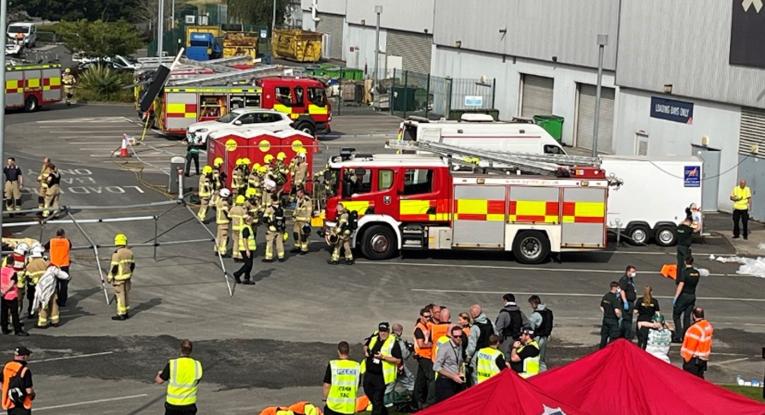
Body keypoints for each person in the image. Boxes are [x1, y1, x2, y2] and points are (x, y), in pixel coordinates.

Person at [361, 322, 402, 415]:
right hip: (369, 373)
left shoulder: (393, 342)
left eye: (385, 331)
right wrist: (366, 351)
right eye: (381, 331)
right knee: (369, 394)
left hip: (381, 376)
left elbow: (398, 360)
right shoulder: (374, 337)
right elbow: (365, 346)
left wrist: (383, 357)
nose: (383, 333)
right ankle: (384, 412)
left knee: (377, 400)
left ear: (389, 331)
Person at [155, 339, 203, 415]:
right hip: (189, 404)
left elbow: (159, 381)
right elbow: (197, 380)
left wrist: (159, 373)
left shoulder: (173, 364)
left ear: (180, 349)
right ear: (191, 351)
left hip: (173, 404)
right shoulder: (197, 365)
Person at [323, 341, 360, 415]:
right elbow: (357, 385)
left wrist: (325, 399)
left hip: (333, 406)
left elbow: (327, 385)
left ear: (338, 351)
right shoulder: (356, 366)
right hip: (349, 407)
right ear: (348, 351)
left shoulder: (333, 365)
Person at [32, 263, 69, 329]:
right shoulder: (53, 270)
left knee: (43, 307)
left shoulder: (47, 270)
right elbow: (65, 276)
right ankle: (55, 321)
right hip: (52, 290)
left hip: (43, 292)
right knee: (54, 305)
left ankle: (43, 324)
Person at [433, 325, 465, 403]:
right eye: (456, 336)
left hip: (456, 381)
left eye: (460, 336)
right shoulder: (444, 347)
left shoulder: (460, 345)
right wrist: (453, 376)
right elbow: (436, 367)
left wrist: (461, 373)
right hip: (445, 382)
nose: (458, 338)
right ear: (451, 336)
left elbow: (459, 361)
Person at [672, 256, 700, 343]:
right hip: (692, 295)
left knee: (676, 315)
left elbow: (681, 285)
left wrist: (676, 297)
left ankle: (678, 335)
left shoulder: (684, 272)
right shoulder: (696, 273)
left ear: (685, 262)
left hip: (684, 295)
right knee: (687, 317)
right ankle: (685, 336)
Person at [1, 346, 35, 414]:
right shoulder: (25, 370)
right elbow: (28, 391)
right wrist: (33, 394)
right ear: (23, 357)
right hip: (23, 405)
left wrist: (10, 392)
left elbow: (0, 384)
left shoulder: (7, 366)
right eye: (27, 355)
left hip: (10, 403)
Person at [108, 233, 134, 321]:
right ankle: (126, 312)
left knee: (120, 296)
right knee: (126, 294)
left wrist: (110, 277)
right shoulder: (130, 252)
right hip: (127, 277)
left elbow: (114, 267)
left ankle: (121, 314)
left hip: (119, 278)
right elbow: (132, 265)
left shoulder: (116, 254)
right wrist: (130, 274)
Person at [681, 307, 713, 378]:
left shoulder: (694, 328)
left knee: (690, 381)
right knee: (700, 380)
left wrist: (686, 358)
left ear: (693, 315)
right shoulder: (708, 325)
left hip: (693, 360)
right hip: (703, 359)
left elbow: (691, 346)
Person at [412, 307, 434, 410]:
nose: (428, 318)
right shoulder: (419, 328)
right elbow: (421, 344)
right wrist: (433, 344)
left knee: (420, 380)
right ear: (421, 316)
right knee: (431, 379)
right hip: (423, 356)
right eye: (426, 317)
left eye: (429, 316)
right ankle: (429, 402)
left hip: (425, 356)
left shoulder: (426, 326)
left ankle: (417, 402)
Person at [44, 229, 71, 307]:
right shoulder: (67, 241)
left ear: (57, 234)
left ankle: (56, 300)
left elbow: (45, 247)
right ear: (63, 234)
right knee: (64, 285)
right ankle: (63, 301)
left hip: (54, 265)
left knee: (55, 284)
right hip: (64, 266)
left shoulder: (52, 241)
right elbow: (70, 247)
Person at [0, 260, 27, 336]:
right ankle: (18, 330)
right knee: (14, 314)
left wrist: (2, 291)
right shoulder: (13, 272)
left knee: (4, 313)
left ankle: (4, 329)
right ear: (13, 263)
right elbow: (12, 283)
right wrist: (5, 291)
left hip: (3, 296)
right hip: (11, 296)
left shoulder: (1, 270)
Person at [526, 295, 553, 371]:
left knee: (534, 358)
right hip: (545, 337)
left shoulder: (535, 315)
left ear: (533, 303)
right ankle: (545, 374)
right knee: (542, 359)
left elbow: (530, 328)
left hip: (537, 338)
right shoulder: (548, 312)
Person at [23, 246, 48, 320]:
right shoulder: (44, 261)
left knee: (31, 300)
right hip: (42, 285)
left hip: (32, 285)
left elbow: (27, 274)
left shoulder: (29, 262)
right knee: (42, 300)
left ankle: (31, 313)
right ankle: (42, 314)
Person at [232, 215, 256, 285]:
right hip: (245, 249)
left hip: (248, 248)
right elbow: (244, 239)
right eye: (251, 219)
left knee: (250, 264)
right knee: (248, 264)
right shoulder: (246, 228)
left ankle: (246, 278)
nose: (252, 220)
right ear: (247, 221)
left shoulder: (247, 227)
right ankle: (237, 274)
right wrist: (247, 250)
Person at [263, 194, 286, 262]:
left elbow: (264, 219)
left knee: (269, 243)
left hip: (272, 228)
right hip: (280, 228)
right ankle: (281, 256)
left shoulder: (269, 208)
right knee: (279, 243)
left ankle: (268, 257)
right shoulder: (281, 208)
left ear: (272, 200)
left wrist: (268, 223)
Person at [599, 281, 622, 348]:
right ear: (615, 288)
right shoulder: (614, 299)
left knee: (604, 337)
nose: (619, 289)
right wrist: (619, 316)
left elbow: (601, 307)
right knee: (613, 338)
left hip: (606, 319)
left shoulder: (606, 296)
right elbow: (617, 311)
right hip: (613, 320)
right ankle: (610, 353)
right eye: (618, 288)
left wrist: (606, 312)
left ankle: (601, 352)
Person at [618, 265, 638, 341]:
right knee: (626, 319)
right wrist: (625, 301)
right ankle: (626, 336)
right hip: (627, 302)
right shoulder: (624, 280)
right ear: (628, 271)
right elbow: (622, 290)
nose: (634, 273)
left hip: (631, 302)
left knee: (629, 319)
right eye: (632, 271)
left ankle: (626, 334)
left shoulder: (630, 279)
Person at [291, 187, 312, 254]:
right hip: (297, 220)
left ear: (302, 193)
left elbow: (309, 210)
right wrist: (294, 215)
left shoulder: (307, 200)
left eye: (298, 193)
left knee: (303, 236)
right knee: (296, 234)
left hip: (303, 220)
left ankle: (304, 249)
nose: (297, 194)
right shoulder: (298, 199)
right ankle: (297, 247)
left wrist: (308, 220)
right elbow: (296, 208)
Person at [228, 196, 247, 260]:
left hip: (234, 227)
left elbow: (229, 216)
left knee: (235, 241)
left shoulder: (233, 208)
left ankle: (235, 255)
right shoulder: (242, 210)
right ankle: (240, 255)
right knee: (241, 242)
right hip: (241, 228)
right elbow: (245, 217)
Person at [215, 188, 231, 256]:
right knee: (224, 237)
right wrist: (231, 216)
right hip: (224, 222)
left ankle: (217, 249)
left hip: (219, 221)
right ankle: (222, 251)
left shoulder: (219, 200)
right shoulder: (224, 203)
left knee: (219, 236)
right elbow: (227, 212)